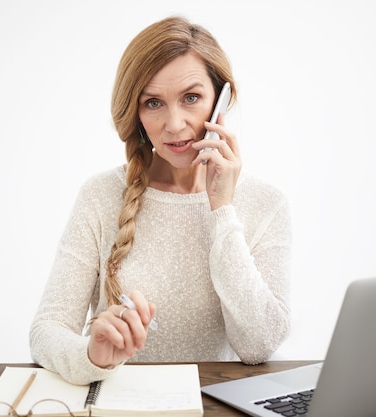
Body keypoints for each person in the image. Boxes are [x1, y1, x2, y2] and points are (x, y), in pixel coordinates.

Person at [29, 15, 291, 385]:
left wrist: (222, 209)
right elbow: (46, 331)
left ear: (222, 99)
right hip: (118, 406)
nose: (174, 123)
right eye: (153, 103)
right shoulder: (100, 196)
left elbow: (258, 346)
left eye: (192, 98)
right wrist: (92, 356)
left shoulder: (266, 204)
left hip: (211, 406)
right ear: (134, 112)